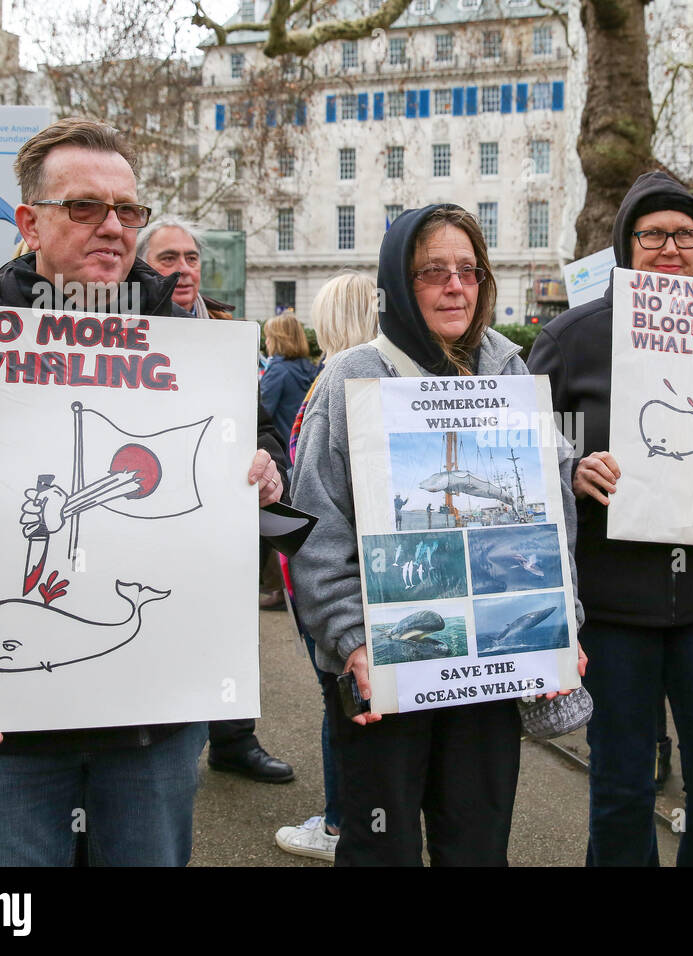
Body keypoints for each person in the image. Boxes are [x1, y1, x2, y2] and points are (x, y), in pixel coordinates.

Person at [0, 118, 290, 865]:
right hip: (12, 736)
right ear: (29, 223)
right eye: (85, 208)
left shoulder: (196, 349)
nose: (113, 227)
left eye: (128, 210)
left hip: (155, 733)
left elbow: (258, 458)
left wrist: (263, 470)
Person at [289, 203, 585, 865]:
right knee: (380, 849)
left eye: (468, 270)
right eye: (433, 272)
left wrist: (560, 627)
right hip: (384, 671)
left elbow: (552, 516)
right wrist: (352, 640)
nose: (456, 285)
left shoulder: (511, 375)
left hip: (486, 678)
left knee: (477, 845)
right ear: (397, 284)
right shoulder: (349, 379)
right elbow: (313, 528)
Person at [527, 170, 693, 866]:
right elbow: (525, 460)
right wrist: (573, 469)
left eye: (685, 234)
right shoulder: (571, 340)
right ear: (627, 244)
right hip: (615, 610)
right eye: (653, 234)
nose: (670, 248)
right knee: (620, 787)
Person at [138, 216, 295, 782]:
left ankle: (234, 739)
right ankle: (149, 734)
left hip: (220, 519)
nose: (182, 269)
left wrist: (267, 458)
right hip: (151, 514)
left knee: (231, 626)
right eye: (166, 259)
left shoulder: (225, 334)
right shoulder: (122, 332)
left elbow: (261, 427)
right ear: (140, 266)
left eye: (190, 258)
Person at [274, 271, 378, 860]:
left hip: (324, 576)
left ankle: (341, 824)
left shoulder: (336, 385)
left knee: (342, 698)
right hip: (326, 570)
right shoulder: (343, 382)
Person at [260, 312, 318, 445]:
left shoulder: (277, 372)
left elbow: (261, 414)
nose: (267, 342)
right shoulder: (309, 369)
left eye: (269, 337)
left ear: (279, 339)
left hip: (282, 451)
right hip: (302, 447)